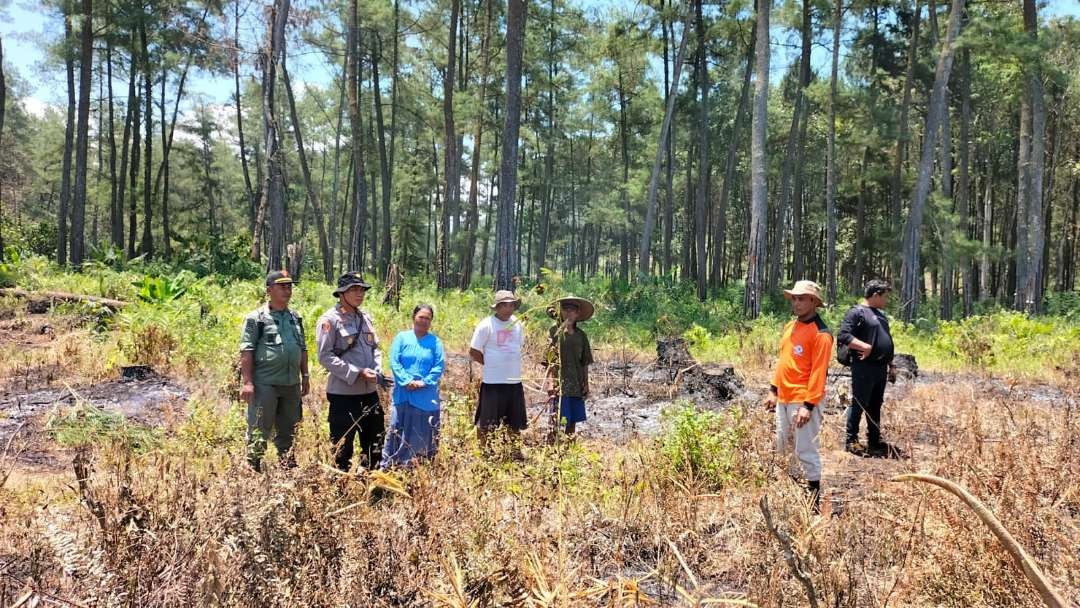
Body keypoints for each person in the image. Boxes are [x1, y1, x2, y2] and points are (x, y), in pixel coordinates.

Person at [764, 280, 833, 510]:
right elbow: (784, 361)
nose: (797, 302)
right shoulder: (790, 327)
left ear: (814, 302)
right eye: (794, 298)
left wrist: (809, 405)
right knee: (784, 448)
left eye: (802, 298)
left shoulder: (821, 334)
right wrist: (774, 390)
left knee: (805, 450)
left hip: (803, 401)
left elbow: (819, 373)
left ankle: (812, 504)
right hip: (784, 397)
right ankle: (793, 495)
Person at [316, 272, 389, 471]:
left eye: (362, 289)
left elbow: (375, 349)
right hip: (344, 395)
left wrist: (376, 370)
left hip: (369, 393)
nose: (359, 294)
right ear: (341, 294)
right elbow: (325, 356)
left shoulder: (365, 318)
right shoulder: (330, 320)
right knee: (342, 448)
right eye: (354, 289)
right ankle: (341, 489)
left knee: (374, 443)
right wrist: (357, 373)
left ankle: (372, 486)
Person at [238, 270, 310, 472]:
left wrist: (305, 376)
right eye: (282, 286)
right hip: (265, 384)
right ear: (269, 290)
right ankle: (253, 468)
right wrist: (248, 382)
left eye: (289, 286)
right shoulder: (256, 319)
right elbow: (247, 350)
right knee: (260, 428)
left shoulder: (296, 317)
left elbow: (302, 348)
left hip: (291, 384)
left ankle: (287, 467)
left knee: (289, 429)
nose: (287, 290)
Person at [838, 279, 897, 457]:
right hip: (864, 366)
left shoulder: (880, 315)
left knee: (876, 404)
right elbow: (843, 335)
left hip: (881, 367)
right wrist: (864, 346)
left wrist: (891, 364)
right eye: (885, 297)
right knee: (860, 403)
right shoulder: (857, 313)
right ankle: (851, 441)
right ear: (875, 295)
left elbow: (886, 339)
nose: (886, 301)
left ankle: (874, 440)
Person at [381, 304, 445, 467]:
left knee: (422, 434)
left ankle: (417, 468)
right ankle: (392, 466)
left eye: (428, 318)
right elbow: (394, 362)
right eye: (421, 317)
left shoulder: (435, 342)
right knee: (397, 429)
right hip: (403, 394)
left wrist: (423, 382)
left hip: (426, 396)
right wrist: (406, 381)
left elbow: (439, 366)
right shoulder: (402, 338)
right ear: (413, 317)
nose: (424, 321)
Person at [469, 290, 527, 454]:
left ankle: (515, 452)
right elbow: (473, 351)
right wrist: (489, 363)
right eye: (505, 305)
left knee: (514, 422)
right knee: (487, 422)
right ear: (497, 307)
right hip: (493, 382)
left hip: (514, 381)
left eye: (511, 305)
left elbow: (519, 345)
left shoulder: (517, 323)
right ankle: (484, 452)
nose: (509, 309)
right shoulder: (486, 325)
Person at [542, 296, 595, 439]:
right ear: (560, 312)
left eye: (573, 310)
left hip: (576, 384)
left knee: (571, 419)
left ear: (578, 314)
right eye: (566, 309)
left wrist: (586, 383)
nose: (569, 313)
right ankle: (554, 444)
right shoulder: (554, 333)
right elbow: (548, 361)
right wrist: (551, 382)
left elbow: (585, 361)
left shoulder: (581, 336)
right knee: (558, 417)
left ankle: (569, 445)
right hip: (559, 384)